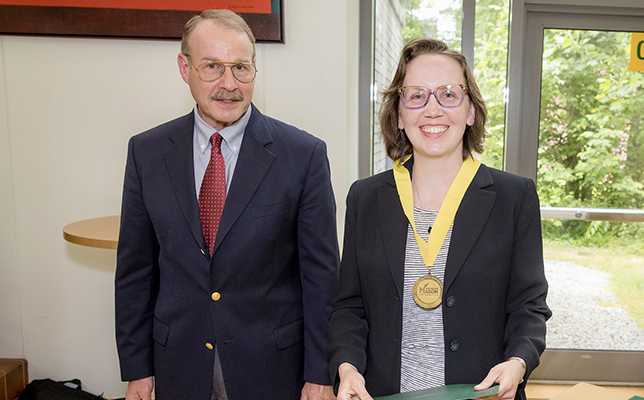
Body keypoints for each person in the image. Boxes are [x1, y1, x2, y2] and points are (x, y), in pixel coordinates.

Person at [114, 9, 339, 400]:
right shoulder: (146, 153)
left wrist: (320, 374)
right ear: (185, 68)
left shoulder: (303, 156)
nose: (229, 84)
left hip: (272, 370)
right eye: (212, 67)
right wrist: (138, 369)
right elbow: (135, 271)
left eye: (241, 67)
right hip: (179, 366)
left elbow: (321, 278)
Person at [327, 38, 551, 400]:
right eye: (416, 95)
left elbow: (529, 305)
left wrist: (519, 361)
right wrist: (347, 368)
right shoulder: (365, 198)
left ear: (470, 112)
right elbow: (349, 307)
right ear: (399, 115)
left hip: (481, 393)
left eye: (448, 94)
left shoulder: (514, 198)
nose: (432, 110)